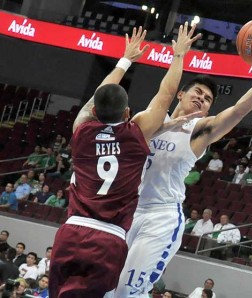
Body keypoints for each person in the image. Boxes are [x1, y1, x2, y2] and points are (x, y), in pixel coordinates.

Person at [116, 30, 252, 296]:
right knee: (108, 286)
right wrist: (179, 55)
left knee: (128, 291)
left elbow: (241, 109)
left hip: (161, 218)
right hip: (129, 212)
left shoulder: (199, 130)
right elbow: (165, 89)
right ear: (181, 94)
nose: (201, 99)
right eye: (197, 92)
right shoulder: (154, 118)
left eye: (207, 99)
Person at [49, 24, 200, 298]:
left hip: (72, 230)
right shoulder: (136, 133)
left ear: (94, 110)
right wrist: (178, 55)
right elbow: (166, 94)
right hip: (109, 237)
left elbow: (100, 94)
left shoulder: (81, 130)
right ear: (129, 112)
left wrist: (125, 59)